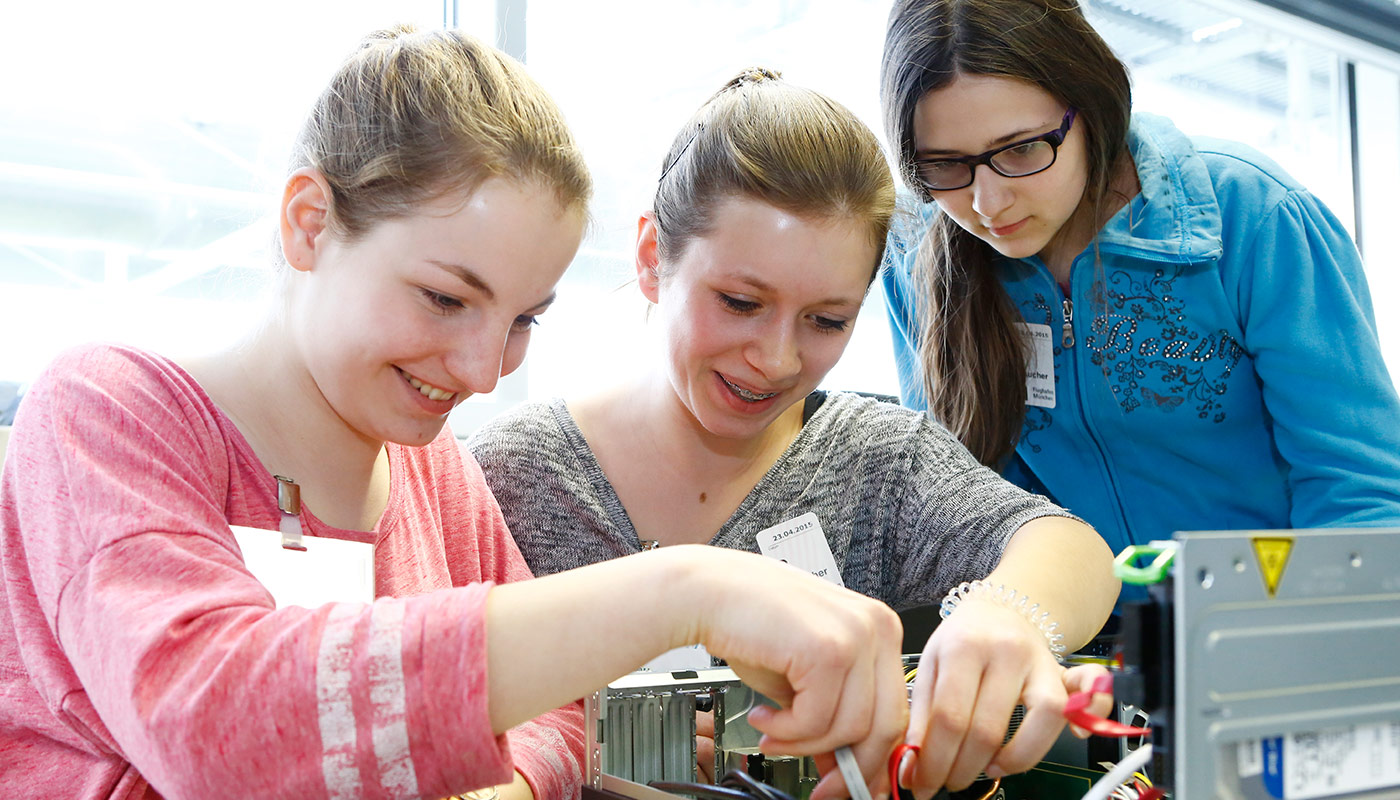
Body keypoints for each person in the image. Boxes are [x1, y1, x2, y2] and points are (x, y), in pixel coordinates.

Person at [0, 29, 915, 800]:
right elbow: (209, 716)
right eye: (444, 299)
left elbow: (561, 711)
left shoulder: (439, 475)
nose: (483, 371)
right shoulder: (107, 415)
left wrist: (512, 783)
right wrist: (683, 592)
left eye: (523, 320)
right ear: (311, 222)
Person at [468, 69, 1118, 793]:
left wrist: (1007, 615)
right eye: (741, 302)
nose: (776, 359)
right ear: (654, 258)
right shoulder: (503, 478)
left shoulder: (875, 461)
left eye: (826, 320)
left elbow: (1071, 548)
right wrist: (587, 745)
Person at [878, 0, 1400, 574]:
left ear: (1093, 107)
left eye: (1022, 149)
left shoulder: (1255, 215)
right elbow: (964, 510)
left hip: (1260, 621)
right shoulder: (916, 257)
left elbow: (1358, 496)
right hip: (1067, 635)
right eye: (945, 165)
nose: (987, 203)